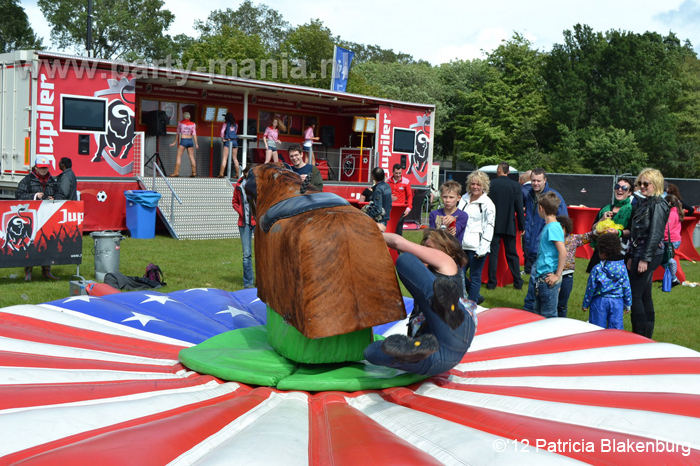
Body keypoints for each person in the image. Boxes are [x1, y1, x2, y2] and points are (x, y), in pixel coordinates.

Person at [363, 229, 477, 376]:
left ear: (445, 249)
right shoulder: (424, 292)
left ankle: (447, 308)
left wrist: (369, 232)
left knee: (406, 260)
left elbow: (398, 243)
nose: (422, 252)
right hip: (440, 359)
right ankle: (413, 352)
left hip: (456, 326)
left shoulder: (447, 262)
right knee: (372, 352)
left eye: (428, 248)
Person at [626, 168, 669, 339]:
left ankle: (639, 336)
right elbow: (637, 232)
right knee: (644, 294)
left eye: (646, 184)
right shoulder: (647, 202)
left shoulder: (658, 203)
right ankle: (644, 337)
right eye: (639, 183)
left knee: (634, 294)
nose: (642, 187)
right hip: (640, 250)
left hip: (648, 251)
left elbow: (655, 233)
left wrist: (645, 258)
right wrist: (630, 255)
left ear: (655, 184)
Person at [15, 155, 62, 281]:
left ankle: (47, 271)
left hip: (48, 217)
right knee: (29, 243)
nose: (43, 170)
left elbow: (60, 193)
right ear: (35, 167)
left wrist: (55, 198)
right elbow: (19, 195)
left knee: (48, 243)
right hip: (31, 218)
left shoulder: (52, 180)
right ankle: (28, 272)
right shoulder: (27, 180)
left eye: (45, 167)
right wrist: (34, 196)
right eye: (41, 168)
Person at [523, 191, 566, 318]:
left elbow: (563, 251)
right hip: (542, 277)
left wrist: (557, 275)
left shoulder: (552, 227)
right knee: (539, 315)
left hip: (548, 278)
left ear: (541, 208)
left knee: (549, 316)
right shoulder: (549, 226)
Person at [457, 170, 495, 305]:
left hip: (477, 246)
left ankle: (471, 305)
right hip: (462, 244)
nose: (475, 187)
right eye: (473, 184)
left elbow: (489, 227)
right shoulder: (463, 198)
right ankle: (474, 297)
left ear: (484, 185)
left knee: (475, 276)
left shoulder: (488, 203)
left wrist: (483, 248)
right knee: (457, 273)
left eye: (478, 184)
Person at [582, 232, 632, 329]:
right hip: (617, 302)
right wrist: (628, 303)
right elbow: (626, 285)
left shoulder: (597, 268)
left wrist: (586, 303)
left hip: (600, 301)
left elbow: (591, 287)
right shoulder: (622, 267)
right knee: (616, 329)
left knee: (597, 328)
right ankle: (614, 343)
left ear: (603, 252)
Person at [523, 168, 567, 275]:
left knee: (541, 283)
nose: (536, 183)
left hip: (545, 249)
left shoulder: (553, 197)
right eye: (533, 180)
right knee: (535, 282)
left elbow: (564, 222)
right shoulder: (529, 195)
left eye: (539, 181)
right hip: (530, 245)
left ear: (545, 180)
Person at [487, 162, 524, 290]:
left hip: (494, 224)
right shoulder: (515, 186)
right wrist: (521, 226)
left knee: (493, 254)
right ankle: (517, 282)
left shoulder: (491, 184)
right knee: (512, 254)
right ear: (508, 172)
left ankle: (491, 282)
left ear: (498, 170)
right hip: (509, 224)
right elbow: (519, 207)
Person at [586, 177, 634, 273]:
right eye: (617, 187)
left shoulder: (632, 210)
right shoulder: (606, 208)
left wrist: (618, 232)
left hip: (619, 251)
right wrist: (602, 219)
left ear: (629, 193)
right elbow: (593, 228)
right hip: (601, 249)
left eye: (624, 188)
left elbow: (631, 232)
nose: (620, 189)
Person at [557, 215, 594, 318]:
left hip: (567, 275)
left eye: (561, 228)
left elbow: (588, 236)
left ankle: (561, 323)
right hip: (554, 274)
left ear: (566, 228)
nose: (559, 231)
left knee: (562, 304)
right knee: (551, 303)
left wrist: (600, 227)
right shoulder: (552, 240)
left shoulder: (573, 239)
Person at [232, 165, 256, 288]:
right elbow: (234, 202)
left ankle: (263, 281)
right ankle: (248, 283)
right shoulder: (239, 185)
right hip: (244, 223)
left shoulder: (258, 184)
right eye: (248, 172)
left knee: (261, 253)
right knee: (247, 254)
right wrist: (241, 212)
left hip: (257, 223)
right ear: (245, 172)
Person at [387, 164, 414, 236]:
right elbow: (383, 194)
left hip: (399, 210)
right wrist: (388, 197)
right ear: (392, 172)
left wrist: (408, 208)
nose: (398, 175)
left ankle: (397, 247)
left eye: (400, 173)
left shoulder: (406, 181)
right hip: (389, 209)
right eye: (396, 173)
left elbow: (409, 196)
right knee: (388, 230)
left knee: (398, 231)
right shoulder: (387, 180)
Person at [169, 112, 198, 177]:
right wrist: (196, 143)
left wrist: (175, 142)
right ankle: (194, 173)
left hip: (183, 141)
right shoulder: (193, 124)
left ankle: (176, 172)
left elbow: (177, 133)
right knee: (192, 157)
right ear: (189, 117)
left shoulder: (180, 123)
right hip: (190, 141)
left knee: (179, 156)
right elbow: (194, 134)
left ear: (184, 116)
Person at [664, 194, 683, 288]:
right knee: (665, 259)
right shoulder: (676, 212)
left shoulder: (671, 214)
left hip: (670, 240)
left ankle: (673, 279)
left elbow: (667, 228)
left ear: (669, 203)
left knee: (666, 260)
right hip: (675, 239)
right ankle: (672, 278)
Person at [218, 112, 240, 179]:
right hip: (235, 141)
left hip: (228, 141)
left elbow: (222, 132)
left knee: (225, 158)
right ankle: (237, 174)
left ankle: (221, 173)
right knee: (235, 158)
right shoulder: (236, 125)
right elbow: (235, 132)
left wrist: (222, 139)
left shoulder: (225, 124)